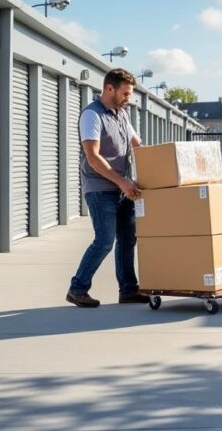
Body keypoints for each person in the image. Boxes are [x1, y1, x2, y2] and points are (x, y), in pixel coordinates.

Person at [66, 68, 148, 307]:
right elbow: (93, 157)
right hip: (100, 188)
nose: (128, 98)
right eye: (125, 93)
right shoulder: (92, 115)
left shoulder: (122, 115)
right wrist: (122, 181)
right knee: (104, 241)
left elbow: (138, 145)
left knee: (128, 239)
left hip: (124, 188)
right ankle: (77, 288)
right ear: (109, 88)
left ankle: (128, 290)